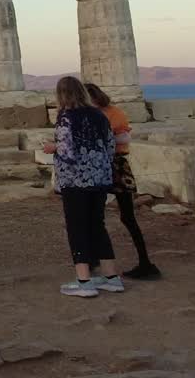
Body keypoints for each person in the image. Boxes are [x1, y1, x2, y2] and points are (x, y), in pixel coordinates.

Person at [43, 77, 122, 298]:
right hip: (99, 180)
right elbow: (110, 146)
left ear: (61, 95)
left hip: (75, 181)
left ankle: (84, 281)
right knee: (98, 226)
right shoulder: (99, 115)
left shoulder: (66, 117)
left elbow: (67, 152)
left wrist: (52, 147)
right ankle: (112, 278)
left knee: (77, 228)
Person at [85, 82, 161, 280]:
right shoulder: (92, 114)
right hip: (98, 165)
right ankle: (93, 259)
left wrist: (100, 137)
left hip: (116, 166)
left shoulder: (113, 113)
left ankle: (145, 263)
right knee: (94, 216)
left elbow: (124, 138)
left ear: (94, 98)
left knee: (127, 216)